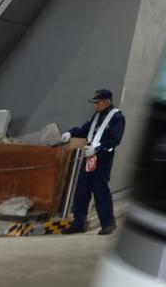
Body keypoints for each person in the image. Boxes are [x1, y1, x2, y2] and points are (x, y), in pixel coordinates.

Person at [58, 89, 125, 235]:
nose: (95, 105)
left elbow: (115, 139)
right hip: (89, 157)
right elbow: (85, 129)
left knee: (100, 190)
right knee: (82, 190)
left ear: (106, 101)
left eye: (97, 102)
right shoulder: (96, 116)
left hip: (103, 158)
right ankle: (79, 223)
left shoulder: (117, 117)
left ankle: (108, 223)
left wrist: (98, 148)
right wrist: (70, 133)